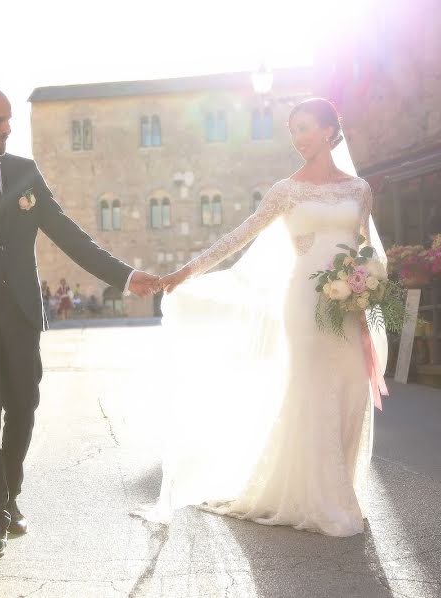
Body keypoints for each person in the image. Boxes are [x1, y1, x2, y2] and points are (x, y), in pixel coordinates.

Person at [0, 84, 159, 558]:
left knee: (23, 409)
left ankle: (10, 495)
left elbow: (68, 233)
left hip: (23, 314)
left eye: (9, 120)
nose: (7, 129)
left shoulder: (24, 173)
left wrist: (126, 277)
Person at [135, 98, 388, 537]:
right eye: (293, 131)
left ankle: (338, 490)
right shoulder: (285, 191)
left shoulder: (359, 190)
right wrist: (184, 272)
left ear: (330, 130)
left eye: (305, 128)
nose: (298, 138)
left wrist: (367, 288)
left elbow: (366, 250)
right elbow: (239, 236)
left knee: (350, 391)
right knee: (314, 390)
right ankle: (324, 503)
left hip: (348, 305)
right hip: (306, 303)